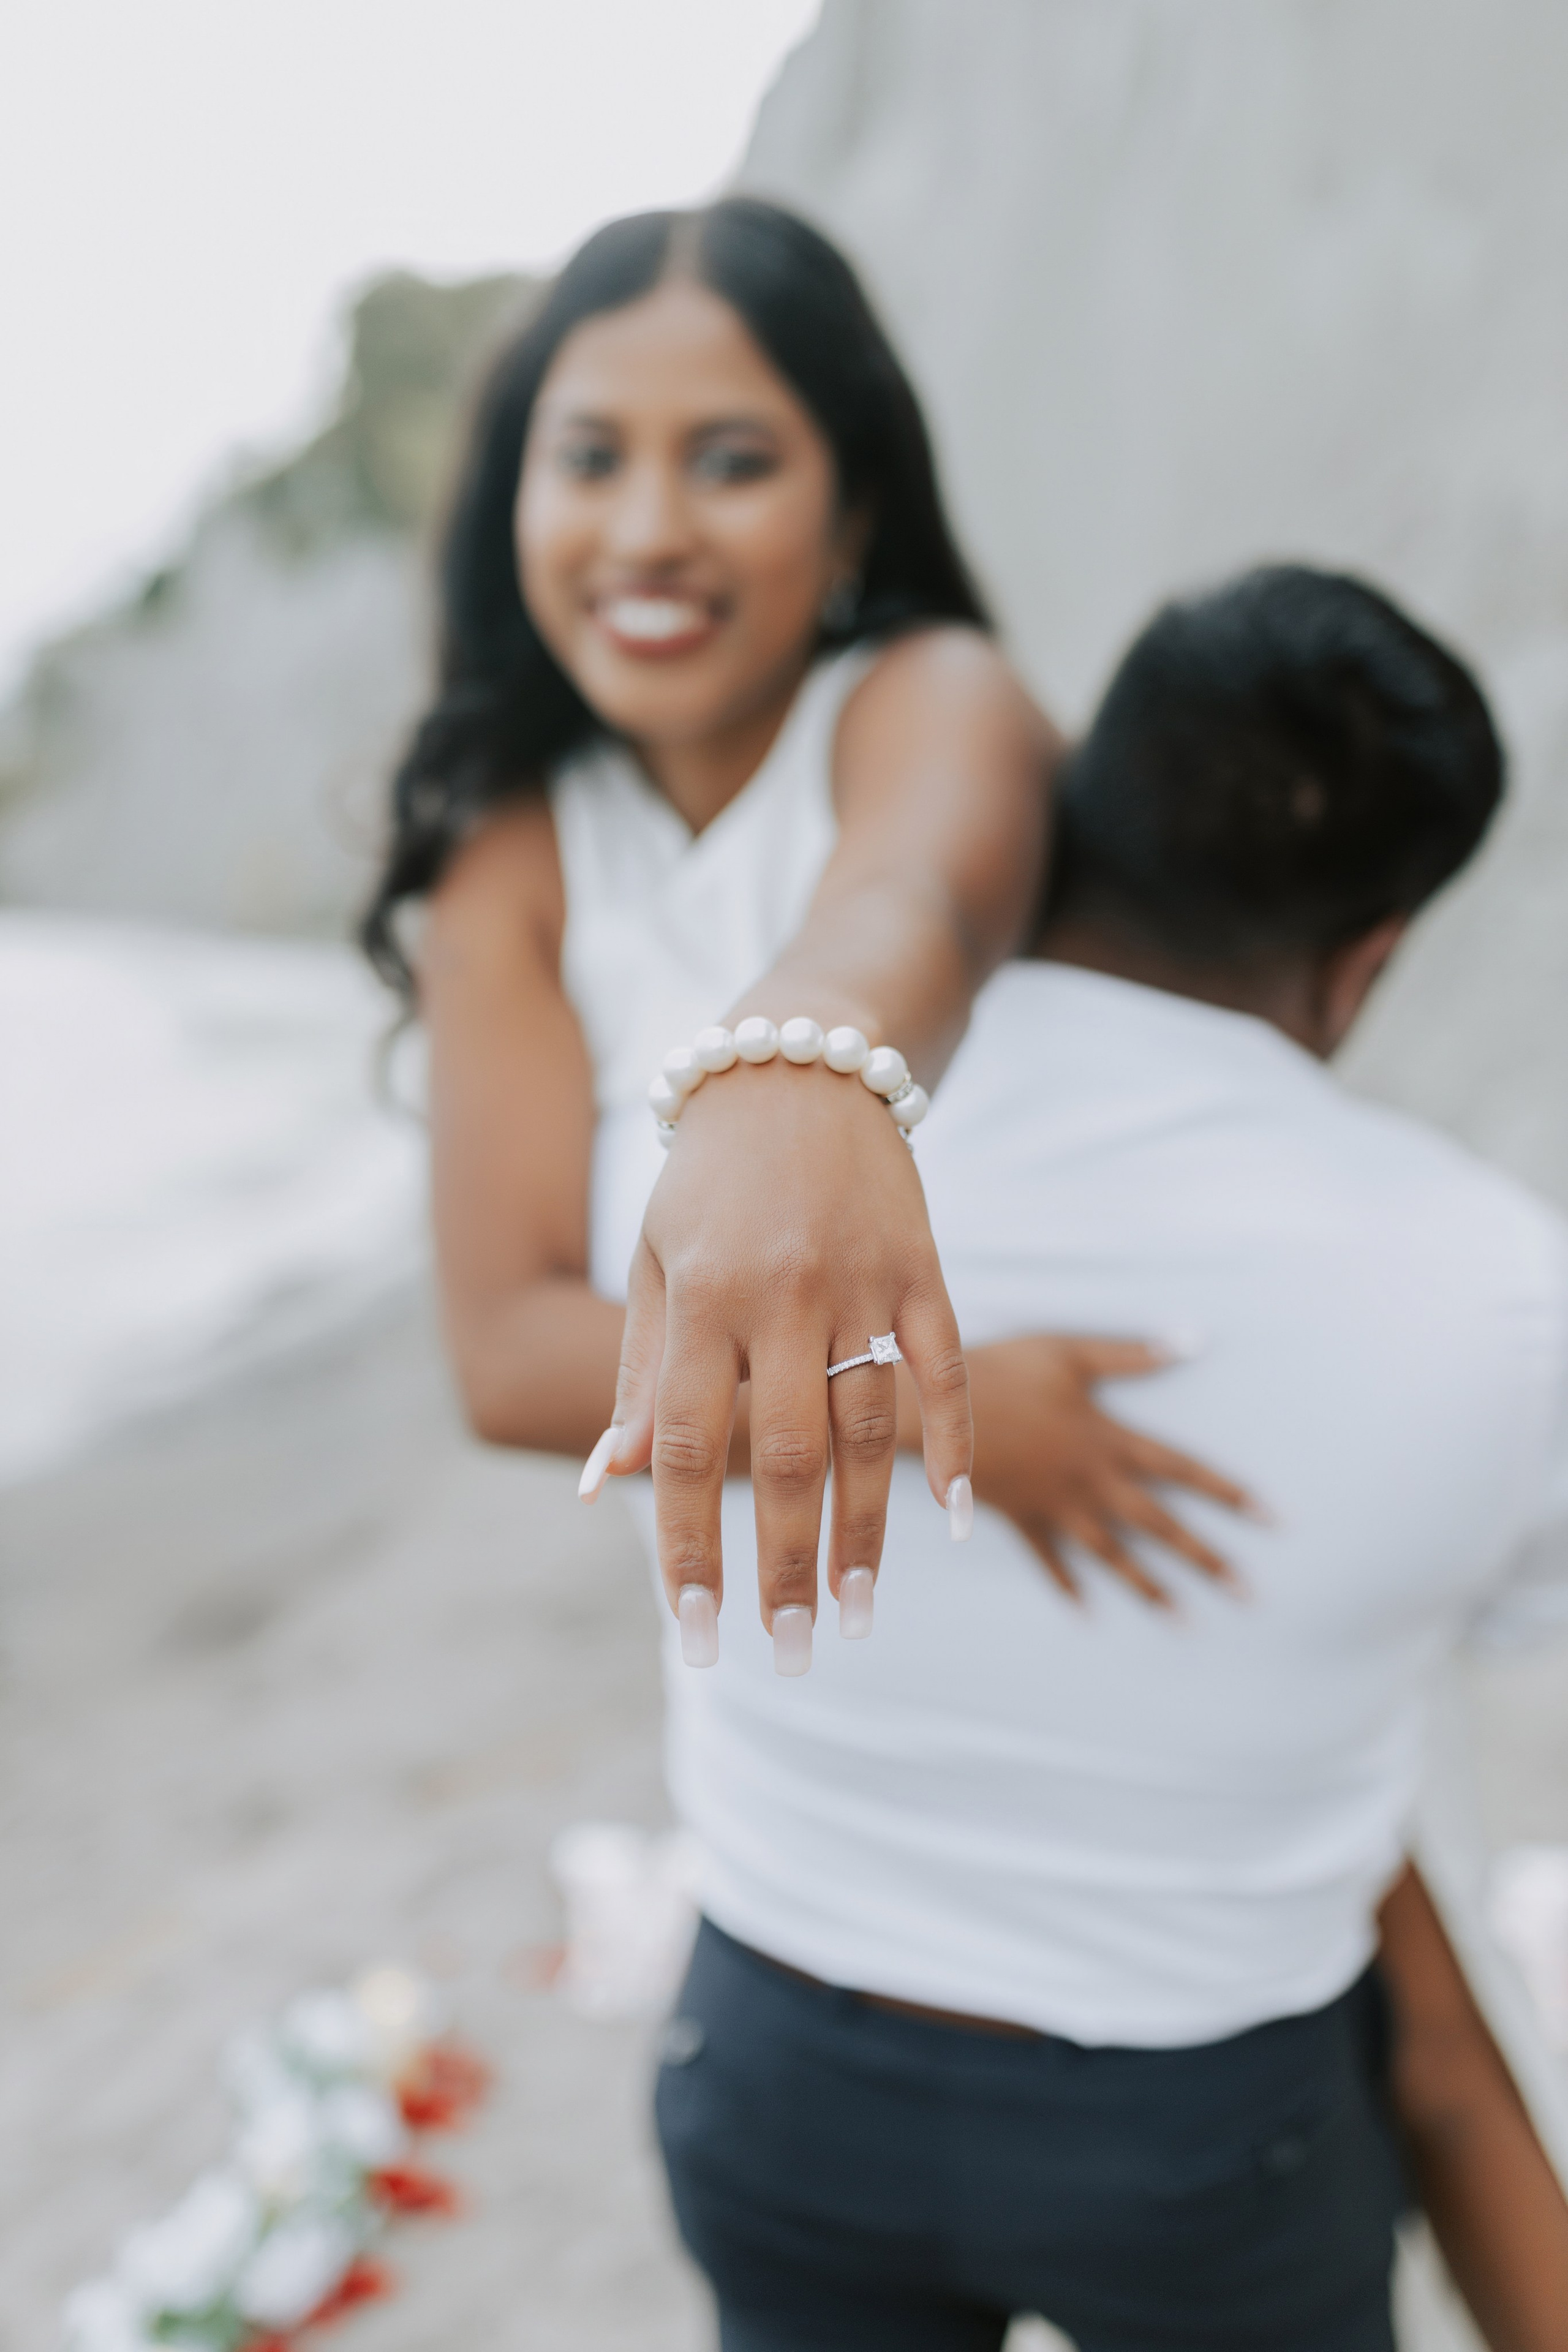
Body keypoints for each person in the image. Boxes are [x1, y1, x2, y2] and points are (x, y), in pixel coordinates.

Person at [652, 566, 1568, 2350]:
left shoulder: (741, 1158)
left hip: (776, 2051)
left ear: (1073, 805)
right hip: (1201, 2122)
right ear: (1367, 954)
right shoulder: (1505, 1294)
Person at [363, 193, 1251, 1638]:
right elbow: (507, 1353)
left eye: (731, 463)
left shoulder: (930, 698)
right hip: (793, 1710)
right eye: (589, 459)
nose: (647, 532)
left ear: (850, 508)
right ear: (512, 499)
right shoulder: (512, 849)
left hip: (1138, 1575)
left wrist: (802, 1064)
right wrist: (950, 1414)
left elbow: (913, 901)